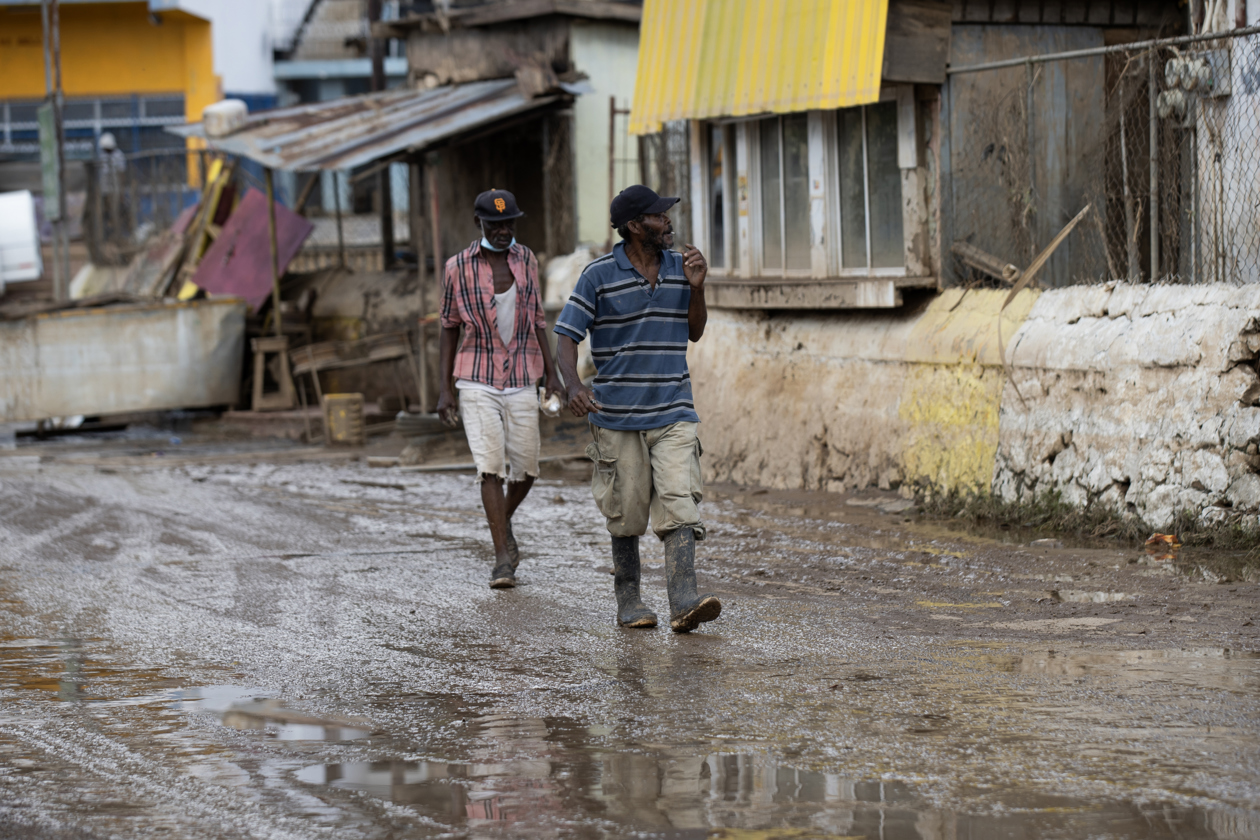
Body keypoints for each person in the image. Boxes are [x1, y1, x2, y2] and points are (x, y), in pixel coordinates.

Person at [553, 185, 721, 633]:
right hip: (616, 415)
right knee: (626, 511)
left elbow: (696, 332)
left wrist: (698, 289)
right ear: (633, 226)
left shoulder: (679, 268)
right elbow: (567, 335)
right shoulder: (598, 275)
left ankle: (684, 599)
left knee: (679, 500)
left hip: (673, 408)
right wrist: (572, 385)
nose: (667, 223)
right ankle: (629, 598)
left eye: (666, 216)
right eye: (659, 216)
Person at [437, 189, 562, 590]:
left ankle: (500, 520)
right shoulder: (456, 267)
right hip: (475, 377)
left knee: (526, 469)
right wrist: (443, 389)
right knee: (489, 467)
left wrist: (553, 374)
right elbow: (448, 327)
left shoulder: (526, 259)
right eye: (495, 224)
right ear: (480, 224)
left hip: (523, 374)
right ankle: (502, 559)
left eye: (510, 223)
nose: (504, 230)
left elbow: (540, 319)